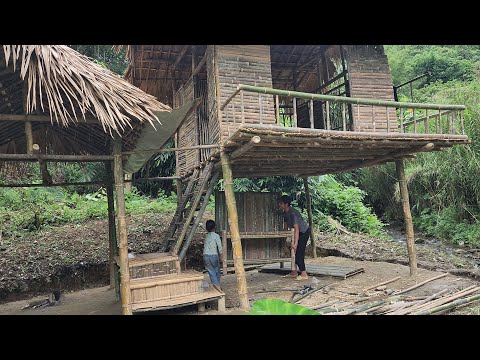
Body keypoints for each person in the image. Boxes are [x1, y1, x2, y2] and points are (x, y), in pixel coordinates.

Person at [278, 194, 310, 280]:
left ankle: (304, 274)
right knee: (293, 252)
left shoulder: (293, 213)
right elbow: (286, 225)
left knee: (299, 252)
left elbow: (296, 229)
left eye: (281, 203)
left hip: (303, 232)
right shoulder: (285, 213)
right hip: (296, 232)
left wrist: (295, 243)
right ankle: (294, 272)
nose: (279, 205)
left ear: (286, 204)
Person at [203, 219, 223, 291]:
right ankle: (218, 288)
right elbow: (220, 248)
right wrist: (222, 257)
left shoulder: (206, 236)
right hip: (213, 256)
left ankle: (216, 286)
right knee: (217, 272)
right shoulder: (216, 236)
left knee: (211, 272)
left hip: (205, 256)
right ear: (215, 227)